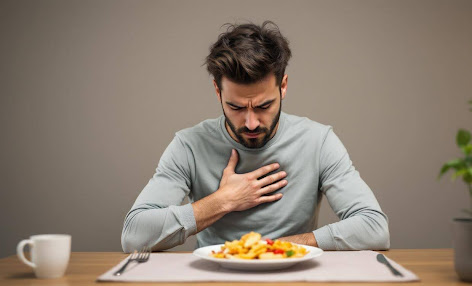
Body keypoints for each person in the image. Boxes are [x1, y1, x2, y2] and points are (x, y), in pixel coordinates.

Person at [121, 21, 390, 252]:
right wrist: (223, 201)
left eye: (263, 106)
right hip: (213, 284)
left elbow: (374, 228)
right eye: (236, 107)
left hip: (292, 281)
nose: (251, 123)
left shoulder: (318, 142)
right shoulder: (188, 145)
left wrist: (277, 248)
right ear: (218, 92)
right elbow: (134, 235)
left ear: (283, 86)